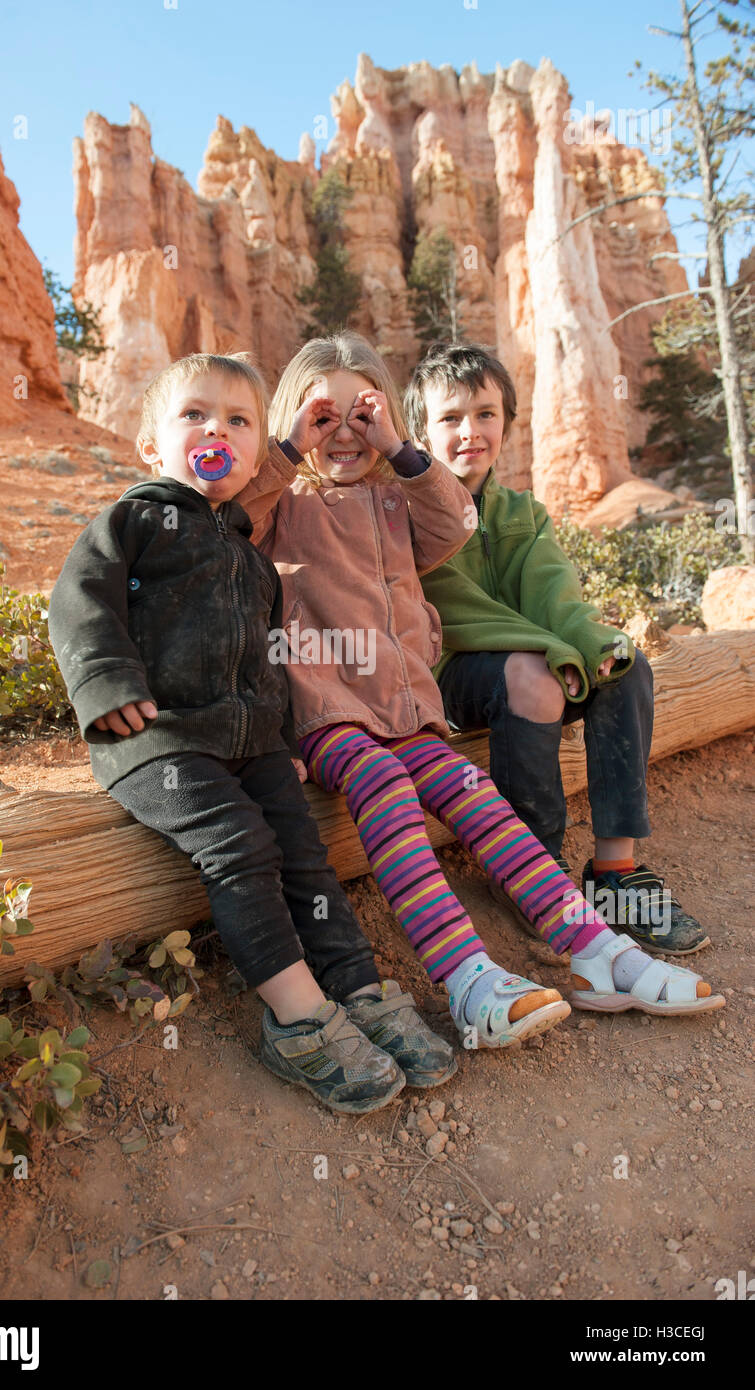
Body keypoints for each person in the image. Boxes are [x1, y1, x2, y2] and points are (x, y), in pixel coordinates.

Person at [237, 332, 723, 1047]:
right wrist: (284, 448)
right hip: (328, 710)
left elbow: (454, 521)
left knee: (477, 797)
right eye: (322, 416)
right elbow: (230, 520)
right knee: (385, 787)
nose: (342, 433)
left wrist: (400, 450)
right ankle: (466, 976)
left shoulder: (395, 504)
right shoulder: (285, 506)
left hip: (408, 712)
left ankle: (598, 951)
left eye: (359, 415)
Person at [48, 351, 458, 1115]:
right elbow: (79, 599)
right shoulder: (134, 518)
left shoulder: (250, 550)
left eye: (239, 420)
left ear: (254, 448)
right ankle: (299, 1019)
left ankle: (359, 991)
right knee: (241, 847)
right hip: (161, 741)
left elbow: (267, 658)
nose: (218, 431)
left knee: (304, 856)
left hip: (253, 742)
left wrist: (288, 742)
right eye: (195, 415)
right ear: (151, 447)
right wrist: (105, 684)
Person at [405, 342, 712, 957]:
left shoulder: (523, 512)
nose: (471, 431)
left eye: (487, 414)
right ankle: (534, 876)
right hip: (445, 676)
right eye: (451, 418)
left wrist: (592, 644)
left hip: (531, 663)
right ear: (419, 433)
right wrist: (551, 650)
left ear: (508, 424)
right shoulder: (410, 512)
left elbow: (555, 595)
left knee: (625, 667)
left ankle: (614, 875)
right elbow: (459, 614)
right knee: (532, 675)